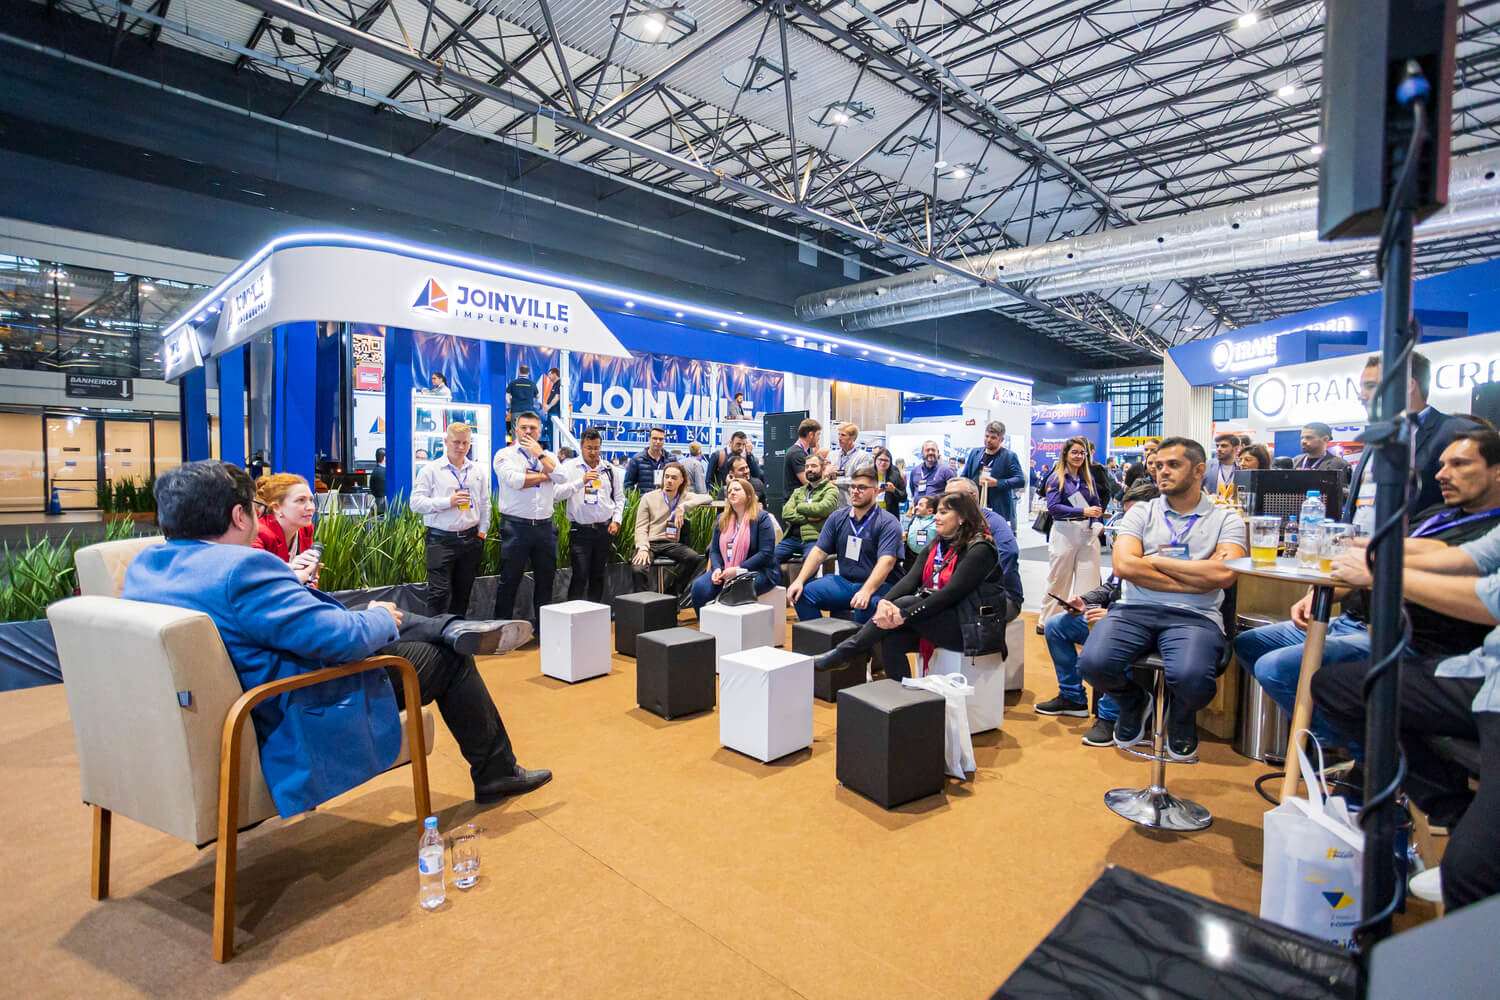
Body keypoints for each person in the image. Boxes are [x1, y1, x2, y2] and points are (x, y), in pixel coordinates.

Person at [122, 461, 548, 815]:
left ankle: (449, 628)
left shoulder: (146, 566)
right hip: (295, 698)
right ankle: (495, 770)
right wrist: (377, 618)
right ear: (238, 515)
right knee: (446, 659)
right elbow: (340, 640)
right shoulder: (241, 568)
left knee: (387, 625)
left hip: (222, 703)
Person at [1240, 430, 1500, 748]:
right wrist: (1322, 593)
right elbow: (1385, 554)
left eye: (1459, 464)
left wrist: (1378, 571)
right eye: (1443, 464)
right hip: (1353, 618)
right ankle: (1342, 744)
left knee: (1279, 669)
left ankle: (1361, 757)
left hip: (1404, 638)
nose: (1441, 474)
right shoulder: (1436, 515)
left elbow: (1457, 578)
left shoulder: (1488, 530)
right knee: (1250, 642)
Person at [1316, 520, 1500, 913]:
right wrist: (1376, 552)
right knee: (1342, 688)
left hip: (1491, 691)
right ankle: (1455, 813)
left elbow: (1490, 599)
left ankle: (1468, 857)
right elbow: (1468, 557)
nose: (1444, 480)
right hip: (1480, 671)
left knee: (1469, 872)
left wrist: (1382, 574)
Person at [1076, 437, 1246, 761]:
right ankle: (1133, 702)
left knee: (1193, 679)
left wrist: (1154, 560)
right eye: (1158, 465)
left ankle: (1181, 714)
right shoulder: (1141, 512)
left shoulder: (1226, 519)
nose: (1162, 471)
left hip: (1195, 616)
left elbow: (1224, 574)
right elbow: (1125, 566)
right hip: (1134, 609)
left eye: (1173, 465)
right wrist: (1198, 577)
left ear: (1199, 470)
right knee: (1093, 664)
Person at [810, 491, 1009, 680]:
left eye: (943, 512)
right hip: (944, 617)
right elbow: (909, 580)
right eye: (937, 512)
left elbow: (951, 594)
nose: (936, 517)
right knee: (891, 636)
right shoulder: (938, 544)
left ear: (962, 518)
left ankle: (845, 652)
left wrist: (905, 614)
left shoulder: (980, 549)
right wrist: (885, 603)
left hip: (971, 627)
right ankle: (902, 696)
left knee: (906, 603)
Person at [1038, 479, 1161, 745]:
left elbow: (1161, 603)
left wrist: (1115, 616)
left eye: (1135, 516)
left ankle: (1111, 716)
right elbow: (1111, 586)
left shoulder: (1162, 551)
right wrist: (1084, 600)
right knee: (1056, 626)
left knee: (1114, 641)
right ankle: (1072, 697)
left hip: (1139, 627)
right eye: (1127, 516)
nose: (1129, 523)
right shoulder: (1129, 545)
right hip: (1115, 617)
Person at [1358, 351, 1481, 513]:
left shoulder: (1459, 434)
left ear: (1408, 385)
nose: (1362, 396)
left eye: (1371, 386)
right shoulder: (1376, 440)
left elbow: (1476, 505)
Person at [784, 465, 904, 624]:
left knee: (865, 605)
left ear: (876, 491)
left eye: (862, 487)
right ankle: (825, 637)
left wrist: (866, 591)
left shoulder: (888, 522)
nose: (855, 491)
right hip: (845, 582)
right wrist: (799, 580)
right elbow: (819, 551)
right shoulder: (837, 517)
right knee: (802, 594)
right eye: (852, 487)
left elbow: (886, 561)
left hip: (879, 586)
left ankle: (858, 641)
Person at [493, 411, 567, 631]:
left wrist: (540, 455)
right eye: (523, 427)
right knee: (509, 580)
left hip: (544, 527)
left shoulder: (548, 455)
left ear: (540, 431)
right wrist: (546, 476)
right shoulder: (504, 455)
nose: (528, 432)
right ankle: (502, 630)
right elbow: (515, 480)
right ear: (516, 429)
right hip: (516, 527)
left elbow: (562, 477)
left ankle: (544, 631)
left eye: (532, 428)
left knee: (546, 581)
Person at [410, 422, 490, 617]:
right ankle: (434, 634)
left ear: (470, 444)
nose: (461, 447)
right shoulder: (430, 470)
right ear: (446, 441)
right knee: (439, 593)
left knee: (463, 593)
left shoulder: (477, 470)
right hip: (440, 540)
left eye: (465, 443)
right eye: (456, 442)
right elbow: (416, 503)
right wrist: (448, 502)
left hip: (471, 539)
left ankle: (456, 633)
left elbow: (485, 503)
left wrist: (482, 532)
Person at [1039, 436, 1105, 628]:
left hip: (1088, 533)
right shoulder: (1056, 478)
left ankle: (1085, 623)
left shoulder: (1088, 479)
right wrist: (1082, 511)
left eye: (1082, 453)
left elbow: (1096, 504)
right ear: (1065, 454)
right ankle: (1047, 621)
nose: (1078, 456)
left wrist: (1096, 522)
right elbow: (1053, 508)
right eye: (1074, 452)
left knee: (1090, 580)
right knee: (1059, 579)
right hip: (1064, 532)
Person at [557, 427, 624, 604]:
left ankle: (595, 612)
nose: (593, 452)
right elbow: (556, 494)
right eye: (589, 448)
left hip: (604, 529)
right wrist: (582, 481)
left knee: (598, 575)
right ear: (581, 446)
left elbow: (619, 498)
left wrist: (616, 520)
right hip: (580, 530)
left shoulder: (609, 469)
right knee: (580, 574)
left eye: (596, 448)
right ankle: (572, 613)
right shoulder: (569, 468)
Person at [689, 477, 779, 610]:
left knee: (735, 588)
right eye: (730, 491)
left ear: (749, 495)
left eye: (737, 489)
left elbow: (765, 553)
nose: (732, 492)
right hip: (725, 570)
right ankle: (704, 622)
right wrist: (717, 568)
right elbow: (714, 551)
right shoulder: (722, 519)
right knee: (699, 587)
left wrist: (738, 569)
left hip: (757, 570)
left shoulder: (762, 518)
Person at [632, 461, 711, 601]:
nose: (669, 481)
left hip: (671, 543)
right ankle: (644, 603)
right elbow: (641, 527)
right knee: (638, 568)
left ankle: (672, 593)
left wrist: (683, 507)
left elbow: (708, 497)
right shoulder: (648, 498)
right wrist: (642, 548)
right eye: (666, 476)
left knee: (694, 558)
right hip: (650, 543)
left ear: (681, 481)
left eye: (674, 478)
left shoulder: (684, 497)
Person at [774, 453, 839, 566]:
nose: (809, 469)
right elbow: (786, 513)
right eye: (807, 466)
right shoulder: (799, 491)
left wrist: (800, 506)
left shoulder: (831, 490)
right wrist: (808, 518)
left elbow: (823, 509)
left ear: (823, 468)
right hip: (792, 539)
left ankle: (805, 579)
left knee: (809, 563)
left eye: (813, 466)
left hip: (815, 538)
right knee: (769, 559)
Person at [961, 420, 1025, 531]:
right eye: (986, 436)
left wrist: (997, 483)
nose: (988, 440)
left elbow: (1020, 480)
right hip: (974, 507)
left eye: (993, 437)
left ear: (1001, 439)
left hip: (998, 509)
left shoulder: (1009, 456)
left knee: (996, 538)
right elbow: (964, 476)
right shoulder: (975, 453)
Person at [251, 473, 317, 576]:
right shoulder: (259, 532)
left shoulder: (305, 529)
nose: (310, 507)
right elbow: (253, 574)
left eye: (311, 500)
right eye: (301, 500)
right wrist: (289, 571)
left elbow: (306, 575)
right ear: (277, 507)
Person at [624, 426, 675, 492]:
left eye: (661, 439)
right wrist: (636, 498)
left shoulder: (671, 459)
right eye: (655, 438)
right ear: (649, 439)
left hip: (665, 497)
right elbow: (628, 484)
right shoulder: (637, 460)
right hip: (644, 498)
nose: (658, 441)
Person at [907, 439, 955, 505]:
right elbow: (913, 491)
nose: (930, 452)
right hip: (918, 509)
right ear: (922, 453)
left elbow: (953, 494)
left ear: (938, 452)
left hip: (937, 510)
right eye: (927, 450)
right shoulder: (914, 471)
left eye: (933, 450)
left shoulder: (947, 471)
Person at [784, 418, 823, 489]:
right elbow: (808, 482)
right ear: (811, 435)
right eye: (818, 435)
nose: (818, 438)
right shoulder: (796, 453)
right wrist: (826, 474)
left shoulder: (801, 451)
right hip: (796, 495)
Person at [873, 447, 906, 516]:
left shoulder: (895, 476)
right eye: (880, 459)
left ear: (890, 462)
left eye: (886, 460)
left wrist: (894, 490)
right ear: (875, 460)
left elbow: (904, 497)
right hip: (871, 514)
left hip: (890, 515)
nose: (883, 463)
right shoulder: (868, 474)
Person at [505, 365, 537, 433]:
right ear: (528, 373)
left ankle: (516, 440)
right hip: (529, 410)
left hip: (516, 410)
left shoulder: (513, 383)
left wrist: (510, 403)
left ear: (519, 372)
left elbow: (507, 395)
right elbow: (537, 396)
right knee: (528, 431)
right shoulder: (532, 384)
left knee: (515, 431)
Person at [369, 447, 387, 515]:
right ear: (385, 458)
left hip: (378, 504)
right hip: (383, 506)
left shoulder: (376, 470)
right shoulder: (384, 472)